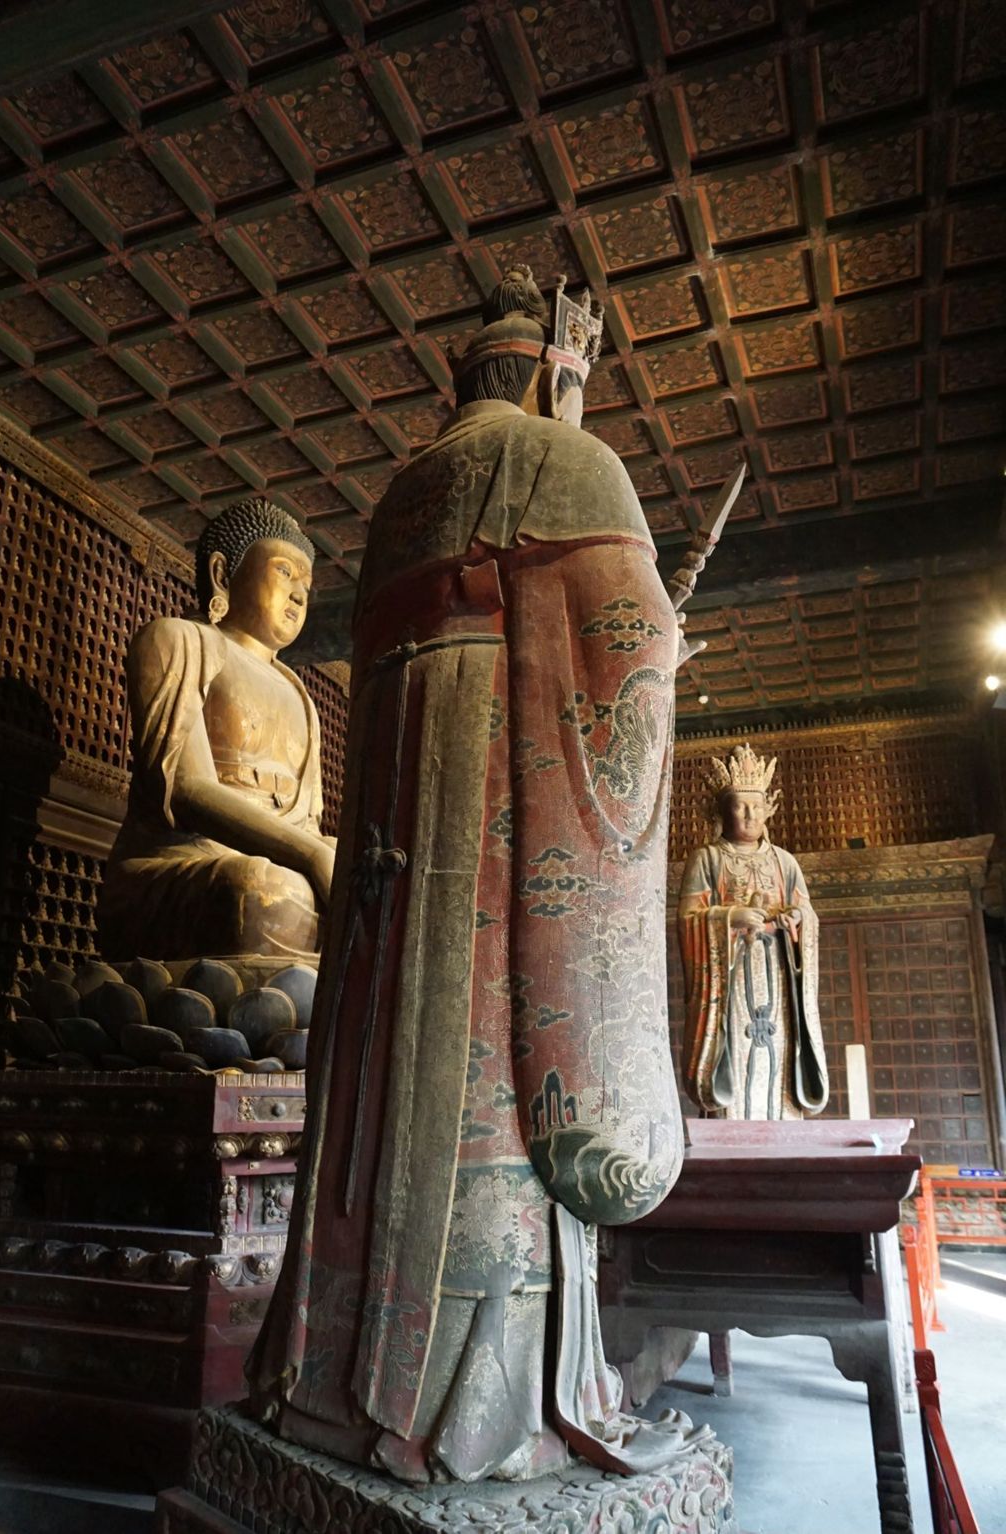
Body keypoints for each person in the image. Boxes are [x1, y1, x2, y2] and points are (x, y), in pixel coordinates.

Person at [247, 269, 705, 1482]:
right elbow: (627, 651)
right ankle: (476, 1408)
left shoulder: (403, 494)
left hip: (392, 861)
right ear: (554, 369)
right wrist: (660, 651)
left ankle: (335, 1372)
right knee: (483, 1095)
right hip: (495, 834)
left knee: (378, 1097)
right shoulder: (570, 465)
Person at [98, 498, 335, 962]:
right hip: (182, 863)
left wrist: (326, 852)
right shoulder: (179, 641)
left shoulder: (303, 697)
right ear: (224, 574)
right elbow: (185, 789)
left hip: (284, 864)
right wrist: (308, 854)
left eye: (306, 586)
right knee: (259, 890)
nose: (300, 596)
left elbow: (307, 821)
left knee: (378, 893)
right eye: (285, 572)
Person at [678, 743, 828, 1121]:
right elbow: (689, 918)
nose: (749, 814)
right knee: (737, 1045)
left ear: (768, 810)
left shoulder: (784, 862)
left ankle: (783, 1120)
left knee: (778, 1044)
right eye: (740, 806)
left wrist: (794, 920)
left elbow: (807, 915)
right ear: (722, 811)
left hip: (776, 974)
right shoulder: (708, 859)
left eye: (757, 807)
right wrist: (730, 917)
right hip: (728, 973)